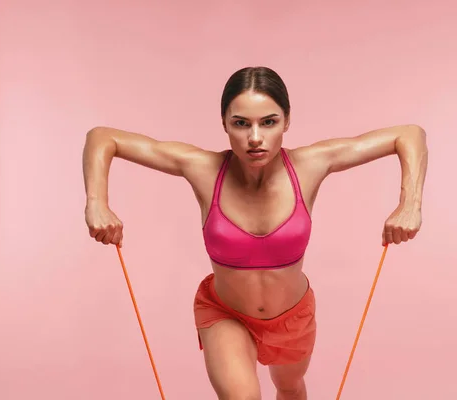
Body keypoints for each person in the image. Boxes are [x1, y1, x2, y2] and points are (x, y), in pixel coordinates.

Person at [82, 66, 428, 400]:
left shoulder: (310, 165)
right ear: (224, 124)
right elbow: (103, 138)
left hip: (293, 315)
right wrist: (97, 202)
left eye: (269, 122)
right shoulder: (202, 168)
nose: (255, 138)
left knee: (290, 389)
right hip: (225, 312)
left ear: (287, 121)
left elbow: (409, 134)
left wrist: (409, 203)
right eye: (241, 124)